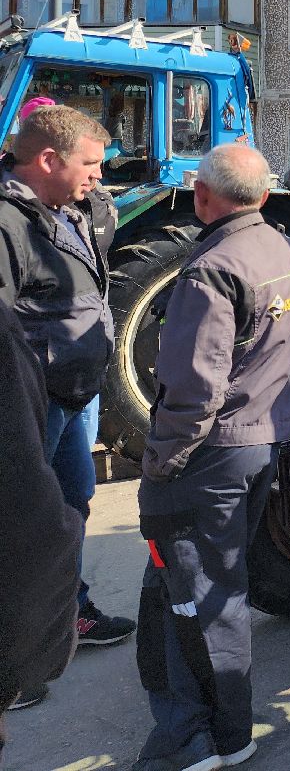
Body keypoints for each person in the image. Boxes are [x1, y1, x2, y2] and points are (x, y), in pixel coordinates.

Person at [134, 143, 290, 771]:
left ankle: (207, 741)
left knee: (199, 596)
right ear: (264, 196)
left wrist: (162, 460)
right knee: (214, 584)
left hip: (210, 454)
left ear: (203, 197)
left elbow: (193, 385)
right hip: (264, 441)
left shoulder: (212, 267)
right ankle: (213, 729)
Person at [0, 105, 136, 714]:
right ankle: (16, 656)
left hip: (74, 391)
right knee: (26, 519)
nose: (99, 178)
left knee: (71, 506)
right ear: (48, 160)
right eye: (90, 165)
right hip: (36, 400)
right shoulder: (6, 222)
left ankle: (68, 615)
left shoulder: (64, 208)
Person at [0, 297, 85, 757]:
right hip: (54, 390)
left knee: (76, 496)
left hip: (76, 387)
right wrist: (21, 665)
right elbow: (25, 517)